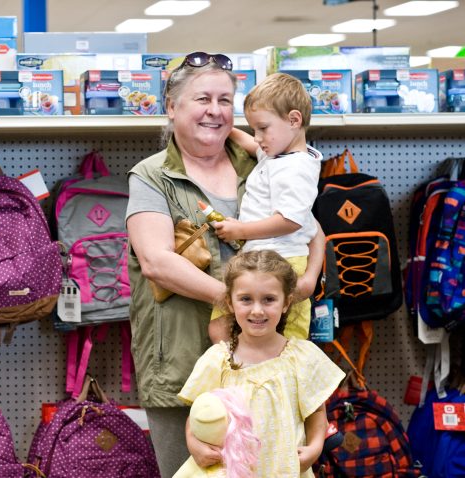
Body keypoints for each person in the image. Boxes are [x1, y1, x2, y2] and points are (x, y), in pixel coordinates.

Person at [126, 52, 325, 477]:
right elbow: (156, 262)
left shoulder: (265, 161)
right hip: (181, 358)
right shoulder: (151, 176)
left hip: (267, 366)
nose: (215, 111)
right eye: (202, 99)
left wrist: (307, 280)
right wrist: (243, 303)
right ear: (171, 106)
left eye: (224, 99)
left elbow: (310, 227)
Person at [178, 250, 345, 477]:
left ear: (286, 302)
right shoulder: (217, 360)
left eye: (269, 299)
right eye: (246, 299)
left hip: (284, 469)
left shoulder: (302, 357)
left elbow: (317, 413)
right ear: (230, 302)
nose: (257, 310)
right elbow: (198, 415)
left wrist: (314, 448)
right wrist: (194, 445)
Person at [209, 72, 323, 344]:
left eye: (263, 128)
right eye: (254, 129)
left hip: (285, 263)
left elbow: (289, 221)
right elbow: (251, 145)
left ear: (294, 120)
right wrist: (226, 126)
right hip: (261, 259)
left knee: (287, 343)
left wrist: (241, 230)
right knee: (221, 328)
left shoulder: (295, 168)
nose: (257, 137)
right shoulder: (278, 154)